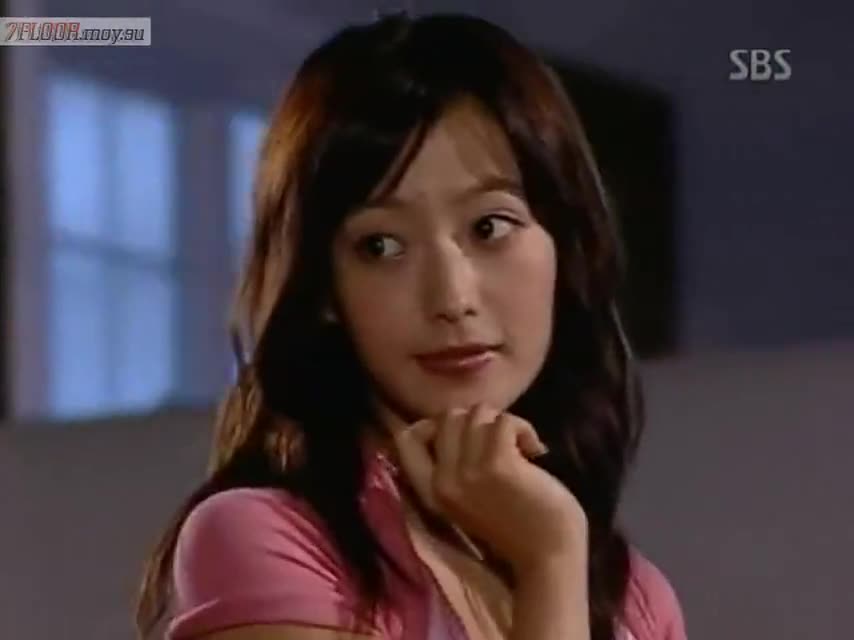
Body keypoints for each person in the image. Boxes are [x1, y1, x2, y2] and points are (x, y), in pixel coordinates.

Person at [136, 12, 687, 640]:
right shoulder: (264, 540)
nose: (451, 298)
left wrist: (556, 553)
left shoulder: (634, 601)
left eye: (490, 227)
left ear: (564, 244)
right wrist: (549, 564)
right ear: (325, 289)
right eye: (382, 246)